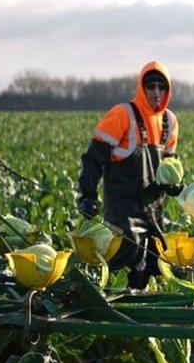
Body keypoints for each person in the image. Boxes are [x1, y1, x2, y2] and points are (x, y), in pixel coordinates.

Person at [77, 61, 182, 288]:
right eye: (151, 86)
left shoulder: (170, 122)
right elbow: (93, 158)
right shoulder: (122, 114)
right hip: (122, 212)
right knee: (124, 271)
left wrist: (174, 185)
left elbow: (170, 164)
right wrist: (87, 196)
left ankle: (150, 319)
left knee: (156, 267)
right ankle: (120, 319)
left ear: (167, 90)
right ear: (141, 88)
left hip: (155, 211)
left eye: (161, 87)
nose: (156, 92)